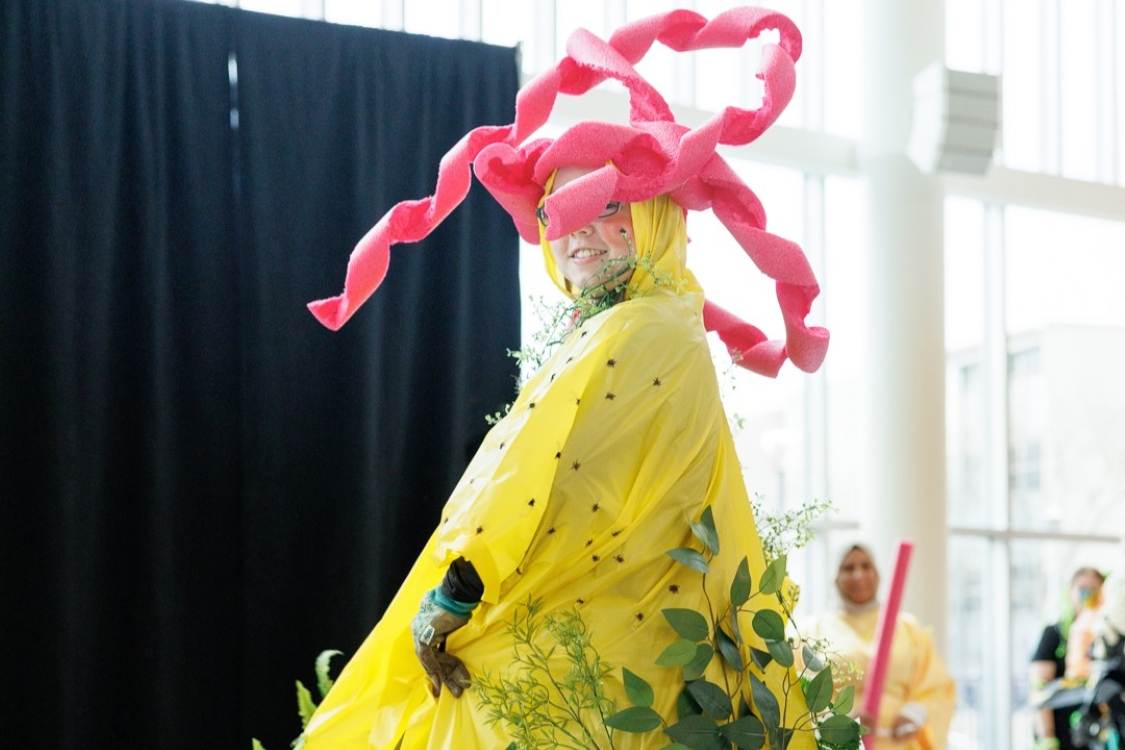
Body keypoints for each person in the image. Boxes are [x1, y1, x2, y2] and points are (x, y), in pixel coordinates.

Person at [297, 8, 830, 750]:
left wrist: (451, 597)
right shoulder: (664, 318)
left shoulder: (637, 328)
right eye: (559, 215)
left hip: (583, 655)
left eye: (605, 208)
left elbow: (543, 473)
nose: (575, 234)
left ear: (650, 219)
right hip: (638, 654)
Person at [803, 543, 957, 750]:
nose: (858, 575)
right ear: (835, 577)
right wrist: (838, 721)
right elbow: (797, 692)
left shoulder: (908, 629)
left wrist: (915, 713)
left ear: (877, 574)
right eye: (848, 568)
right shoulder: (811, 631)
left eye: (866, 566)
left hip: (901, 743)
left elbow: (938, 687)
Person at [1030, 566, 1108, 749]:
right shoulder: (1055, 634)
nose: (1087, 594)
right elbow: (1039, 688)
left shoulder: (1106, 634)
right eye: (1082, 587)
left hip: (1096, 731)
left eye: (1094, 588)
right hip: (1061, 730)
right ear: (1070, 591)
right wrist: (1046, 737)